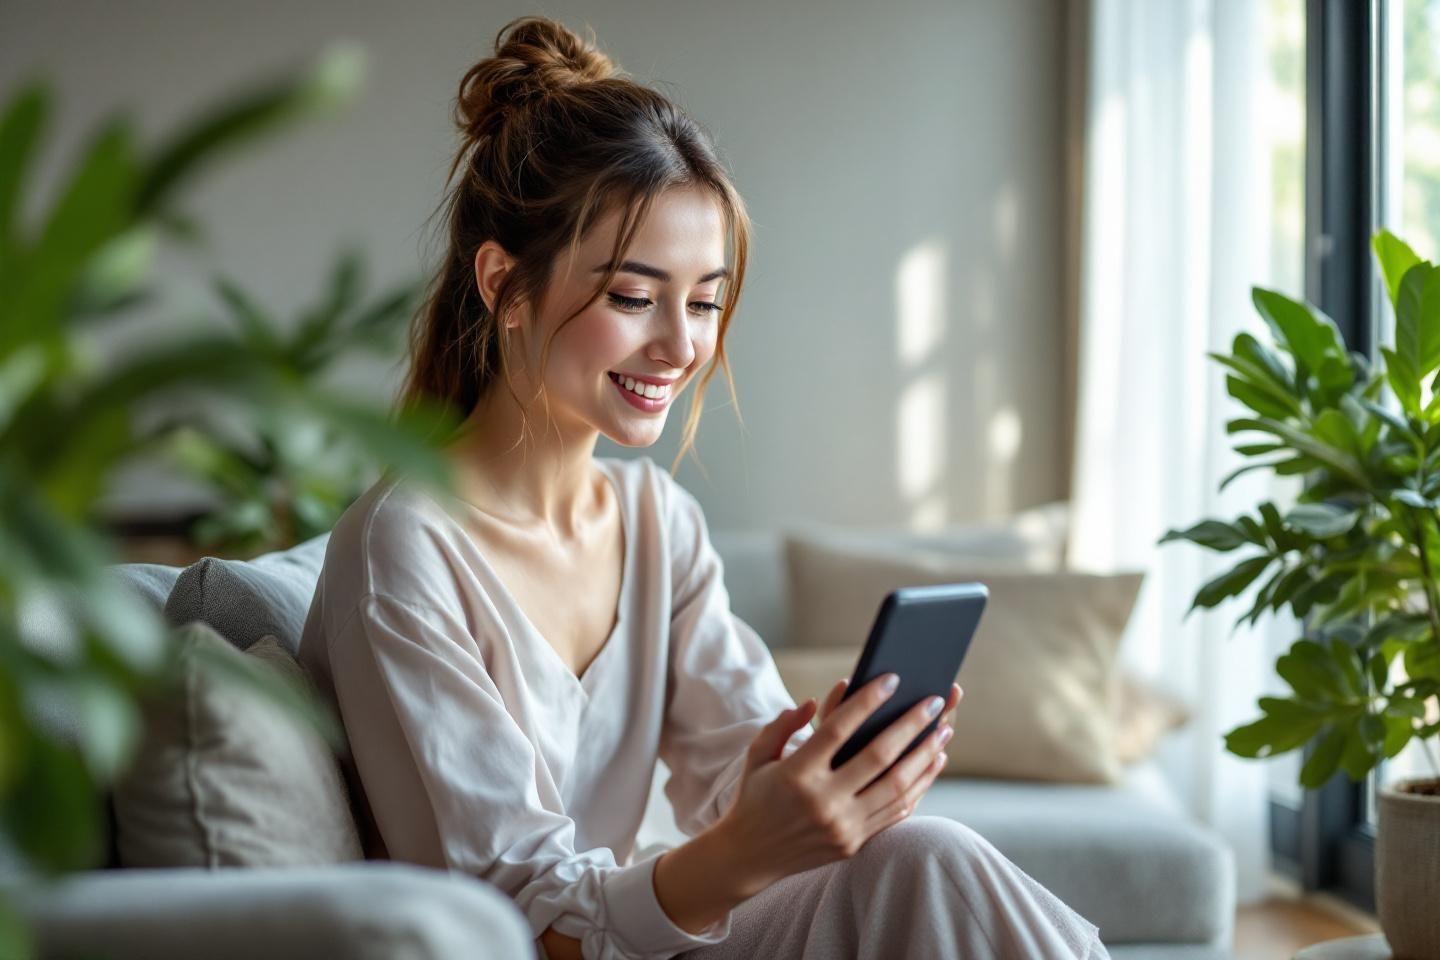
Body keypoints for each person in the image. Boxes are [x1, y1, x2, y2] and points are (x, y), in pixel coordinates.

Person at [298, 14, 1109, 960]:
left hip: (645, 938)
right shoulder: (406, 547)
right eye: (634, 298)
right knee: (928, 869)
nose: (682, 347)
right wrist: (745, 848)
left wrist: (817, 782)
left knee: (921, 855)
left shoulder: (656, 523)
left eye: (706, 300)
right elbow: (520, 920)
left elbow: (738, 767)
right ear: (504, 285)